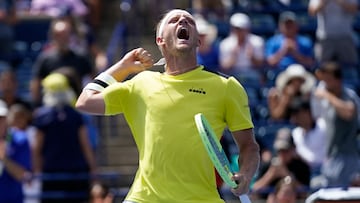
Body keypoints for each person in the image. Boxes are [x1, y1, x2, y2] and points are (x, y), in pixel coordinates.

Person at [75, 9, 260, 203]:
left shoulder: (226, 86)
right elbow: (85, 101)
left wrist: (246, 176)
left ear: (198, 40)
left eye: (189, 21)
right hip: (144, 198)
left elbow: (249, 146)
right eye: (174, 20)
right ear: (160, 40)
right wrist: (122, 67)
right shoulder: (141, 83)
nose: (183, 21)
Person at [32, 72, 97, 203]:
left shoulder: (41, 116)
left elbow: (36, 149)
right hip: (76, 174)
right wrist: (94, 170)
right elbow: (86, 145)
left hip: (52, 174)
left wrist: (37, 172)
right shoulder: (76, 115)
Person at [311, 61, 360, 187]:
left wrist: (327, 95)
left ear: (338, 80)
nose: (325, 84)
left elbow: (349, 112)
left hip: (347, 156)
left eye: (328, 79)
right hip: (332, 156)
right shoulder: (329, 98)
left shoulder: (348, 95)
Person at [30, 18, 94, 107]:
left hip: (78, 108)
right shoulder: (45, 59)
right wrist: (36, 105)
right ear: (53, 36)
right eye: (59, 35)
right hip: (52, 107)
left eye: (66, 34)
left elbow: (92, 80)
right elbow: (36, 83)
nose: (63, 38)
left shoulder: (81, 57)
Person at [252, 127, 310, 199]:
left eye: (286, 150)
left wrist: (287, 174)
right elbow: (254, 190)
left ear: (292, 148)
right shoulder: (268, 165)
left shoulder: (301, 167)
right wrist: (271, 174)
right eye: (280, 150)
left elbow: (305, 194)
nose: (282, 154)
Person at [0, 99, 33, 203]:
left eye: (1, 118)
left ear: (7, 118)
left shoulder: (20, 139)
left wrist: (4, 158)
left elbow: (21, 175)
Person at [308, 0, 358, 65]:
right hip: (325, 38)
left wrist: (339, 1)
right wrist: (324, 2)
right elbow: (312, 12)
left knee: (350, 68)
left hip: (345, 36)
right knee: (322, 67)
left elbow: (354, 9)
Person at [219, 12, 264, 80]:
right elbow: (224, 67)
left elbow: (261, 65)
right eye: (236, 28)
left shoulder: (257, 42)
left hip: (252, 76)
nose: (239, 31)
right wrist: (233, 57)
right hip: (232, 77)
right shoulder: (225, 44)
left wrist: (252, 57)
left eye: (241, 29)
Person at [288, 100, 327, 178]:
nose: (294, 119)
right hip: (305, 172)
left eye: (297, 114)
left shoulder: (324, 126)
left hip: (325, 170)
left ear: (307, 113)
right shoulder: (295, 133)